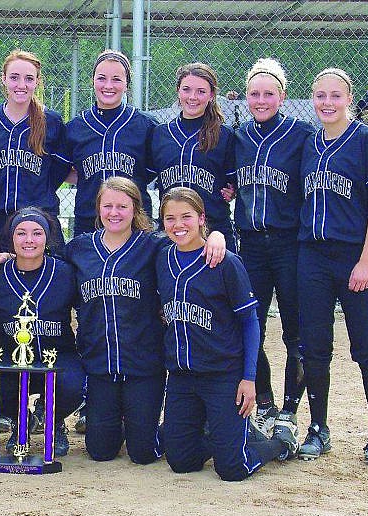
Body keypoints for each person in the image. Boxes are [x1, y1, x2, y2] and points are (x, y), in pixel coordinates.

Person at [157, 187, 298, 481]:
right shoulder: (162, 258)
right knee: (181, 461)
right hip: (183, 377)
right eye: (170, 218)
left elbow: (250, 323)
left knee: (232, 469)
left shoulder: (225, 262)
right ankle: (226, 432)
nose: (178, 224)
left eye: (186, 216)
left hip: (223, 375)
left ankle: (280, 442)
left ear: (201, 218)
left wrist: (249, 379)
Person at [296, 68, 368, 465]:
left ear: (349, 99)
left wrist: (367, 260)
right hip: (313, 256)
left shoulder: (366, 139)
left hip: (356, 255)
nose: (328, 103)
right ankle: (318, 428)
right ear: (312, 99)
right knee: (314, 345)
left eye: (335, 96)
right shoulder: (309, 142)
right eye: (320, 95)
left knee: (366, 343)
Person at [232, 58, 314, 438]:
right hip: (251, 245)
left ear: (282, 96)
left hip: (289, 244)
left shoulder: (301, 134)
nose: (261, 100)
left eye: (269, 93)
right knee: (250, 326)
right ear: (246, 96)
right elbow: (226, 180)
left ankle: (290, 411)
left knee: (295, 332)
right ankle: (264, 403)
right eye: (254, 93)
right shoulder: (239, 137)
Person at [63, 176, 165, 464]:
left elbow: (190, 246)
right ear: (98, 208)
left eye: (122, 206)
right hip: (100, 366)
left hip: (143, 366)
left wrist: (216, 237)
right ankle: (117, 421)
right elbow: (43, 264)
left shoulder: (152, 247)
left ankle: (179, 427)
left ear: (136, 209)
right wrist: (7, 255)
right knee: (100, 451)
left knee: (143, 453)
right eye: (107, 206)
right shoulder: (80, 248)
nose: (114, 213)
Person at [0, 207, 85, 457]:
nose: (29, 240)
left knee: (76, 383)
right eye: (21, 233)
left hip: (57, 356)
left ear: (47, 237)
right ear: (11, 238)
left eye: (37, 233)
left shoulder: (65, 272)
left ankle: (53, 419)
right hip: (10, 358)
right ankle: (21, 421)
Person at [0, 50, 67, 247]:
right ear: (3, 79)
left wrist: (41, 190)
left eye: (29, 78)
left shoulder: (51, 121)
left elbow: (58, 172)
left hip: (41, 221)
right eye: (14, 77)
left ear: (37, 81)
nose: (21, 85)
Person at [58, 49, 157, 237]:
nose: (108, 86)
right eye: (102, 78)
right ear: (93, 81)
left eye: (117, 79)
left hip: (135, 221)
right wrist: (88, 177)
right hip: (89, 221)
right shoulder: (75, 127)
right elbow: (60, 171)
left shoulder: (145, 125)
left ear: (127, 84)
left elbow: (153, 170)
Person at [151, 62, 237, 252]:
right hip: (172, 232)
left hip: (213, 232)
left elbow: (236, 182)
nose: (192, 97)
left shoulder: (224, 135)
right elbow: (143, 175)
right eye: (186, 89)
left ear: (212, 95)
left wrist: (233, 190)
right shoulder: (160, 134)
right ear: (178, 91)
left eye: (201, 91)